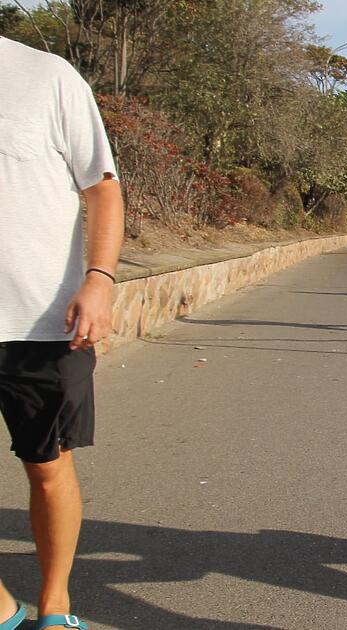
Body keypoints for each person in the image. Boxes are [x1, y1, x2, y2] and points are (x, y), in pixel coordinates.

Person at [1, 35, 125, 630]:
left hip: (40, 322)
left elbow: (101, 187)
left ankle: (54, 607)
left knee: (47, 467)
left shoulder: (46, 76)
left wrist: (99, 278)